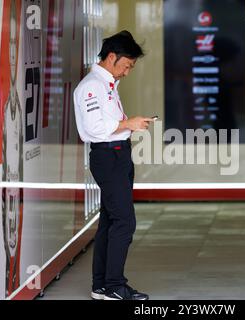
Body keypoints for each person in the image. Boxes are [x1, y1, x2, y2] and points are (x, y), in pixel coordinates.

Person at [73, 30, 154, 300]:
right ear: (111, 57)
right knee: (124, 222)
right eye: (127, 65)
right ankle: (115, 286)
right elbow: (96, 129)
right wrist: (129, 124)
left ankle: (102, 286)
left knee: (110, 220)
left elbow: (109, 124)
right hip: (107, 156)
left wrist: (129, 126)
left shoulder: (106, 84)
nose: (127, 72)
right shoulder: (91, 86)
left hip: (118, 154)